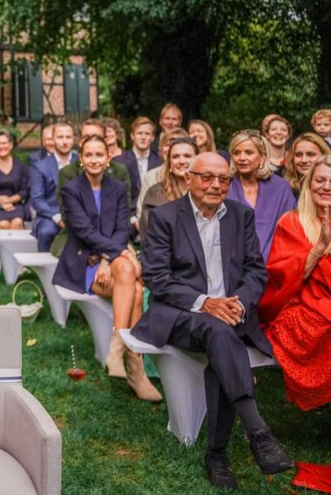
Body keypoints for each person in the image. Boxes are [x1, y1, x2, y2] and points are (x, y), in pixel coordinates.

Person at [133, 153, 292, 489]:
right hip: (181, 314)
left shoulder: (240, 215)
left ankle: (217, 455)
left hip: (230, 314)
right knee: (216, 328)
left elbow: (255, 271)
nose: (215, 185)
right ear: (189, 178)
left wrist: (239, 304)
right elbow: (157, 278)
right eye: (206, 177)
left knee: (221, 337)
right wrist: (206, 303)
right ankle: (258, 433)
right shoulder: (164, 217)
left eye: (222, 179)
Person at [52, 136, 160, 401]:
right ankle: (135, 368)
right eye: (88, 155)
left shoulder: (116, 187)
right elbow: (83, 231)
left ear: (108, 158)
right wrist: (113, 255)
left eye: (99, 154)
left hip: (110, 260)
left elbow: (121, 228)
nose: (94, 160)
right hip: (83, 262)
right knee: (134, 287)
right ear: (81, 158)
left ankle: (116, 352)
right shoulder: (72, 188)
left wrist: (109, 258)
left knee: (130, 282)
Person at [259, 156, 331, 411]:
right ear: (309, 184)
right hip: (297, 304)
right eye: (320, 180)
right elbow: (281, 278)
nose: (326, 187)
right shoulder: (292, 221)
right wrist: (321, 246)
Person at [52, 119, 134, 256]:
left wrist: (106, 255)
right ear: (80, 142)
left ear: (105, 141)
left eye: (96, 136)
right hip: (77, 237)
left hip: (114, 236)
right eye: (86, 137)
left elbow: (124, 217)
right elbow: (69, 218)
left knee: (129, 265)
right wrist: (110, 249)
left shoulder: (120, 172)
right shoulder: (67, 173)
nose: (91, 141)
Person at [227, 130, 296, 261]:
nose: (241, 158)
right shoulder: (225, 187)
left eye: (249, 152)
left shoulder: (280, 187)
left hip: (276, 264)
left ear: (262, 157)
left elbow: (291, 228)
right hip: (234, 265)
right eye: (236, 153)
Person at [139, 137, 196, 243]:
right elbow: (152, 233)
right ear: (169, 162)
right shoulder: (155, 193)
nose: (181, 161)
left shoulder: (206, 192)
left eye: (187, 156)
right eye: (175, 157)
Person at [29, 122, 75, 252]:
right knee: (46, 232)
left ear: (74, 139)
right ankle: (45, 270)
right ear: (53, 139)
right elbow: (37, 200)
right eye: (60, 137)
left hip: (79, 214)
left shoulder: (83, 162)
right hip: (50, 215)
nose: (64, 141)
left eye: (68, 137)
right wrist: (57, 217)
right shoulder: (40, 166)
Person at [135, 128, 190, 217]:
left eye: (177, 144)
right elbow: (141, 214)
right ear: (160, 148)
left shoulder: (199, 179)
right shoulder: (151, 176)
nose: (171, 148)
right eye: (167, 145)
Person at [115, 116, 161, 196]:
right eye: (140, 133)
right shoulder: (119, 162)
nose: (143, 137)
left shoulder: (160, 162)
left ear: (152, 137)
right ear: (132, 136)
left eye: (147, 134)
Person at [283, 132, 331, 197]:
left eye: (311, 154)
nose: (304, 160)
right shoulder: (283, 187)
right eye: (298, 155)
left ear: (324, 155)